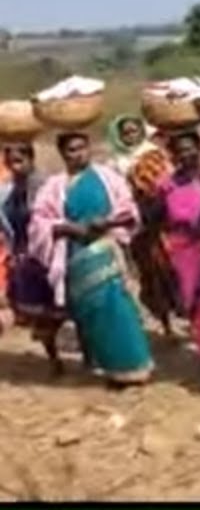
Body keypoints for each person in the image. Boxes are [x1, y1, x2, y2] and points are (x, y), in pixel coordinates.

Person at [30, 132, 153, 387]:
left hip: (106, 250)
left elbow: (128, 209)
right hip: (74, 256)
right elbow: (39, 221)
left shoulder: (108, 178)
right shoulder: (55, 186)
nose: (78, 154)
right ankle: (108, 368)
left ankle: (133, 367)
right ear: (63, 154)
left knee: (118, 309)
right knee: (90, 313)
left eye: (82, 148)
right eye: (72, 150)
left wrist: (106, 222)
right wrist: (68, 227)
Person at [0, 143, 65, 376]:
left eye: (19, 161)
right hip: (25, 255)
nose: (15, 167)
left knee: (66, 307)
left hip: (50, 252)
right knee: (41, 310)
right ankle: (54, 359)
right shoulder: (10, 191)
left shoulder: (46, 185)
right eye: (10, 162)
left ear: (31, 159)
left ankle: (89, 354)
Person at [155, 130, 200, 362]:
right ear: (173, 155)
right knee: (193, 297)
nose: (186, 154)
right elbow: (157, 216)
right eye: (180, 151)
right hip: (182, 249)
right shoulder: (166, 184)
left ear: (199, 149)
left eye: (190, 148)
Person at [127, 131, 181, 337]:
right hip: (150, 231)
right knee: (157, 279)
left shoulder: (170, 162)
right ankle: (167, 324)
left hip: (172, 230)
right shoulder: (141, 163)